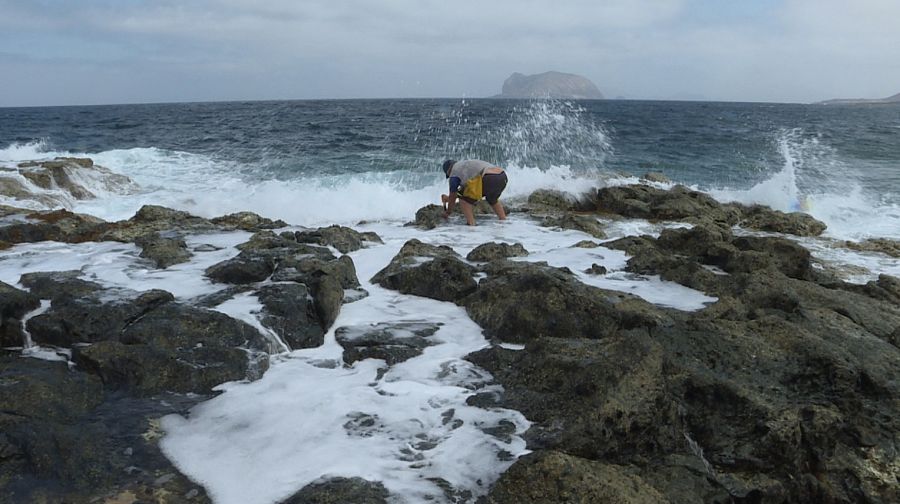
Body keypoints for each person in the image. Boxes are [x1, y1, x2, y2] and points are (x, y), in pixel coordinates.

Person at [441, 159, 507, 225]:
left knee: (464, 200)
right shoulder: (464, 166)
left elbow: (453, 195)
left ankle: (471, 224)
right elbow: (464, 191)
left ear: (448, 171)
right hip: (502, 176)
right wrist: (448, 199)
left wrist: (448, 212)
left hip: (489, 178)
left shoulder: (454, 172)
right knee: (492, 199)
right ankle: (503, 221)